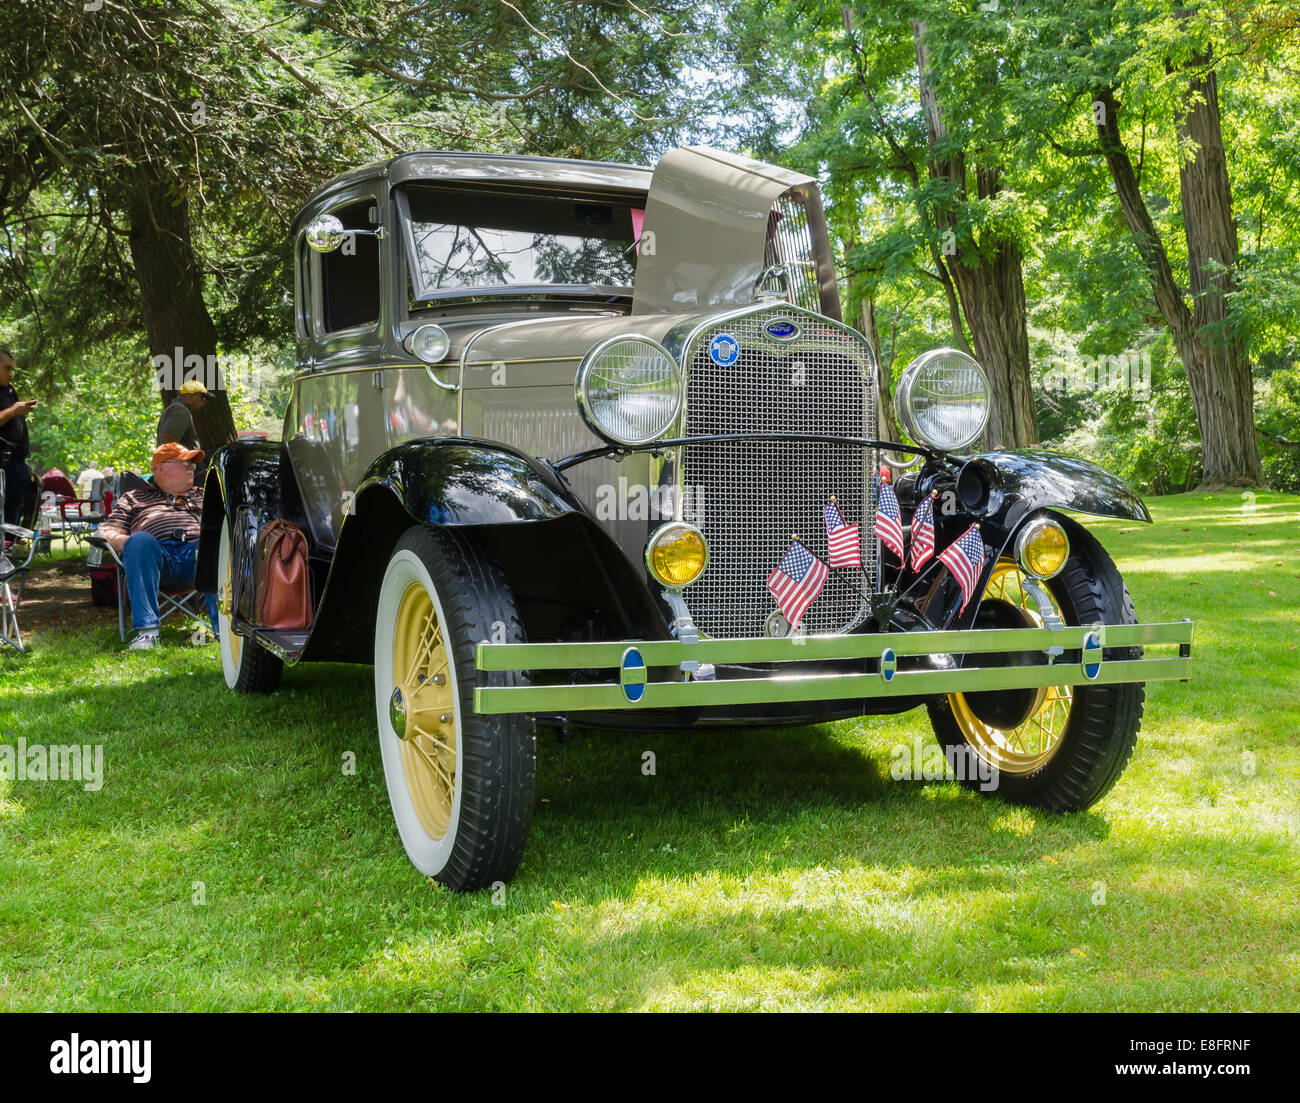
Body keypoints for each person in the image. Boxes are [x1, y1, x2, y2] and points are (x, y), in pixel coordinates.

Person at [97, 442, 219, 650]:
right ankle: (148, 633)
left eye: (192, 464)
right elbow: (109, 532)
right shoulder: (134, 497)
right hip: (156, 560)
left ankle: (224, 631)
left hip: (199, 559)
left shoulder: (204, 495)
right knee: (140, 540)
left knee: (216, 544)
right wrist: (132, 546)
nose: (192, 468)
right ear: (161, 468)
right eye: (185, 463)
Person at [0, 346, 35, 526]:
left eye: (13, 368)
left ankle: (8, 549)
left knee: (15, 508)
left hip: (16, 460)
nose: (11, 373)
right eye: (7, 368)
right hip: (3, 463)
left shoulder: (9, 391)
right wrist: (13, 411)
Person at [156, 379, 213, 449]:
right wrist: (186, 457)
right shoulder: (181, 410)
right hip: (179, 459)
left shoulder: (175, 409)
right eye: (203, 397)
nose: (204, 402)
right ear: (191, 395)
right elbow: (168, 436)